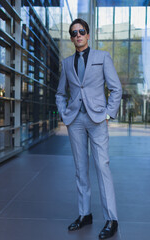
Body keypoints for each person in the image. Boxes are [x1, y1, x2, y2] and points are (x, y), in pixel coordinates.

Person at [56, 18, 122, 239]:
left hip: (97, 120)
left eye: (81, 31)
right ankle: (85, 214)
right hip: (75, 121)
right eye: (74, 33)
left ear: (88, 34)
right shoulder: (66, 63)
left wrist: (107, 114)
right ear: (71, 36)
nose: (78, 35)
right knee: (80, 169)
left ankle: (111, 219)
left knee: (102, 167)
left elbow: (116, 88)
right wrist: (65, 114)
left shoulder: (102, 57)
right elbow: (59, 94)